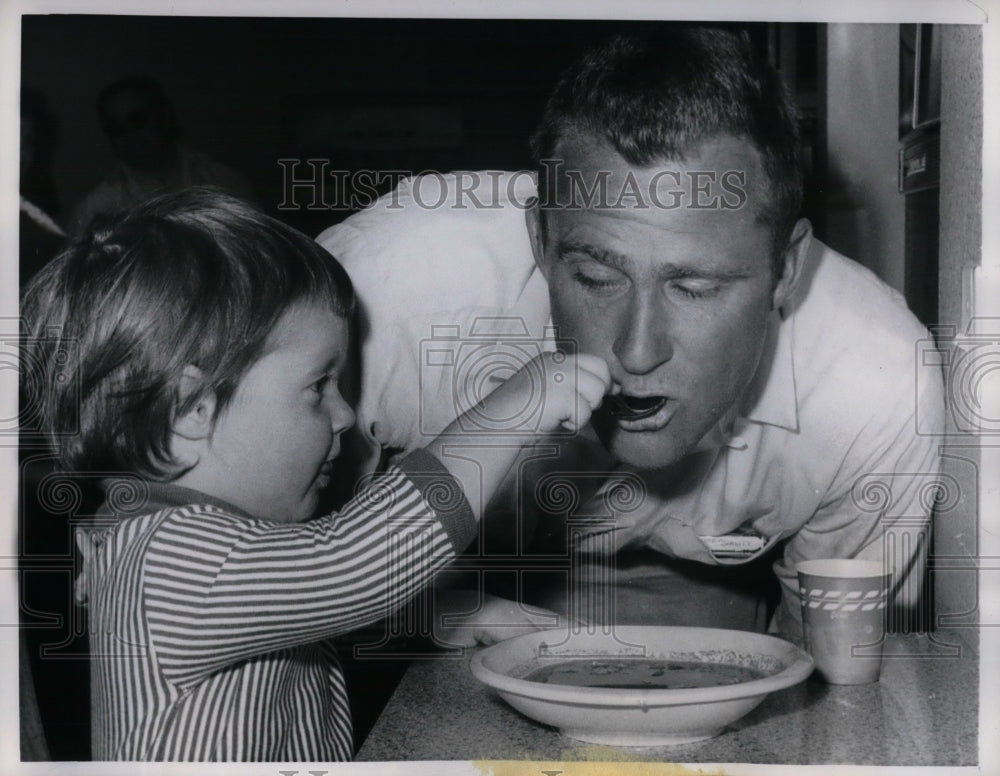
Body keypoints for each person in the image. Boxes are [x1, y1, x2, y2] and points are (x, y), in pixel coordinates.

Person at [317, 27, 946, 639]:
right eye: (596, 277)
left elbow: (837, 692)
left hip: (705, 600)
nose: (638, 352)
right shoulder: (382, 288)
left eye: (695, 288)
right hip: (422, 585)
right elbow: (249, 574)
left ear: (786, 270)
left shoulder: (876, 382)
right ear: (537, 237)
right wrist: (413, 616)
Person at [20, 188, 610, 761]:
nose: (345, 413)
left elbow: (302, 602)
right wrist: (506, 414)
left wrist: (443, 612)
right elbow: (352, 564)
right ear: (192, 409)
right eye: (316, 387)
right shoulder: (171, 559)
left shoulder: (202, 542)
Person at [67, 76, 252, 235]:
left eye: (137, 120)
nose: (129, 134)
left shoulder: (224, 182)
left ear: (164, 116)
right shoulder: (96, 210)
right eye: (116, 128)